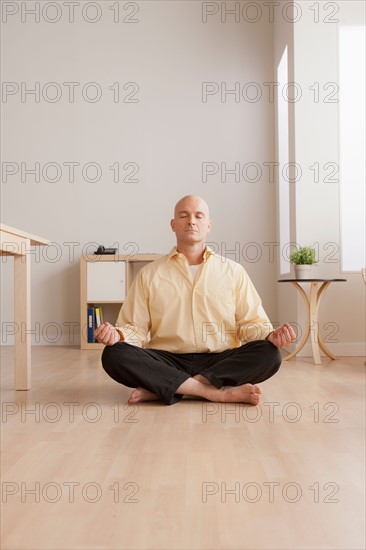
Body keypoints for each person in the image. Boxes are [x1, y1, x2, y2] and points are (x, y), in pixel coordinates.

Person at [95, 195, 296, 406]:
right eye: (184, 215)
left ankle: (169, 388)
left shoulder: (233, 271)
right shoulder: (149, 274)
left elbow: (250, 324)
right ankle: (213, 392)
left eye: (198, 216)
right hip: (167, 360)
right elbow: (134, 328)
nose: (191, 221)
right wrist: (116, 335)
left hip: (219, 361)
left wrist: (270, 335)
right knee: (113, 354)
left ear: (208, 226)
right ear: (173, 225)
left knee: (270, 354)